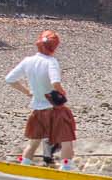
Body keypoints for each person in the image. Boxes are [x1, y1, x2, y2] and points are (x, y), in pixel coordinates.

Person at [5, 30, 75, 166]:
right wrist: (62, 93)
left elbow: (9, 79)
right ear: (54, 47)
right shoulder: (51, 62)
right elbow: (55, 82)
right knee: (67, 140)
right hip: (54, 108)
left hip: (37, 108)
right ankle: (66, 167)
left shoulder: (28, 61)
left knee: (33, 143)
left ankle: (23, 165)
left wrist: (28, 92)